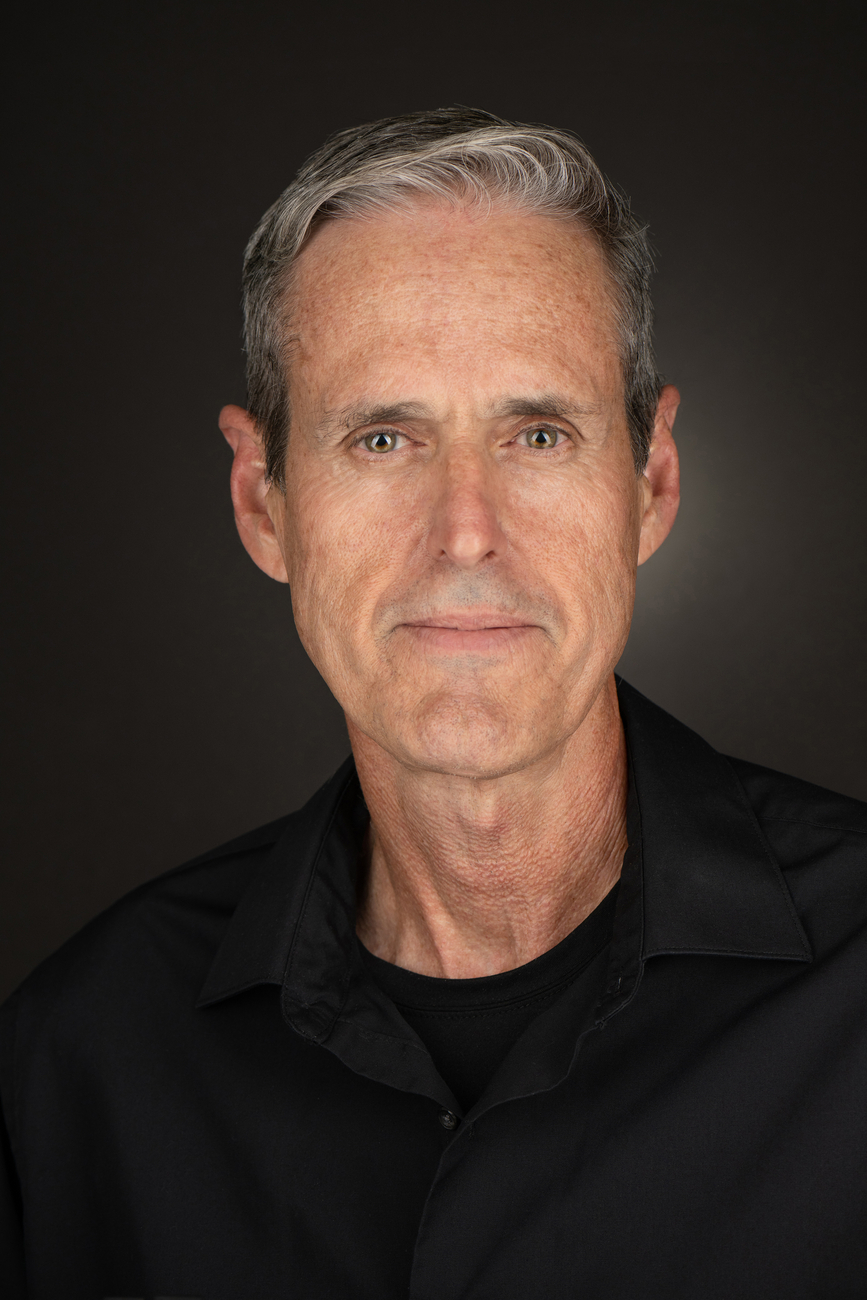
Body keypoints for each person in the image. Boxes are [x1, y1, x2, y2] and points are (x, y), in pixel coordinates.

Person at [1, 107, 865, 1300]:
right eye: (383, 439)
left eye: (539, 434)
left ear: (652, 482)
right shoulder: (81, 1061)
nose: (465, 532)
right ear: (261, 501)